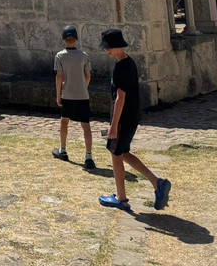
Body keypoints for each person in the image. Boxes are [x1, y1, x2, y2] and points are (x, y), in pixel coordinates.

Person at [98, 28, 171, 212]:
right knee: (121, 154)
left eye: (110, 47)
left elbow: (120, 98)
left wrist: (114, 125)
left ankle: (122, 198)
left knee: (116, 155)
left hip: (123, 118)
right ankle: (157, 183)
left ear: (118, 46)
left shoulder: (122, 67)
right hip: (130, 116)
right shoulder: (128, 62)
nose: (107, 50)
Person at [53, 24, 95, 169]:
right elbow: (88, 75)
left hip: (68, 94)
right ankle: (88, 155)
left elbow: (59, 76)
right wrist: (83, 87)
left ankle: (63, 149)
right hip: (82, 94)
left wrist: (58, 95)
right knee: (86, 125)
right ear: (76, 39)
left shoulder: (60, 56)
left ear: (63, 39)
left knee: (64, 121)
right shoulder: (84, 56)